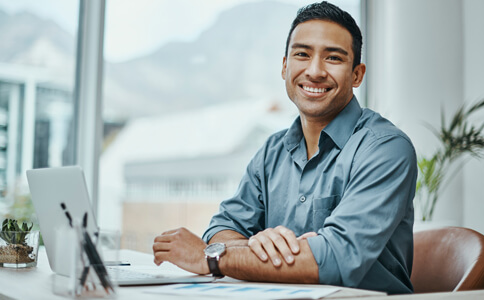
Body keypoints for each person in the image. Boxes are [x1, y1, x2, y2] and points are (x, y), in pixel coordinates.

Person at [153, 1, 416, 294]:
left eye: (333, 58)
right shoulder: (271, 151)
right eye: (302, 54)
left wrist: (212, 257)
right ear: (284, 66)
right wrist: (253, 244)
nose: (315, 71)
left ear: (356, 75)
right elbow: (223, 228)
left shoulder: (385, 149)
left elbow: (336, 259)